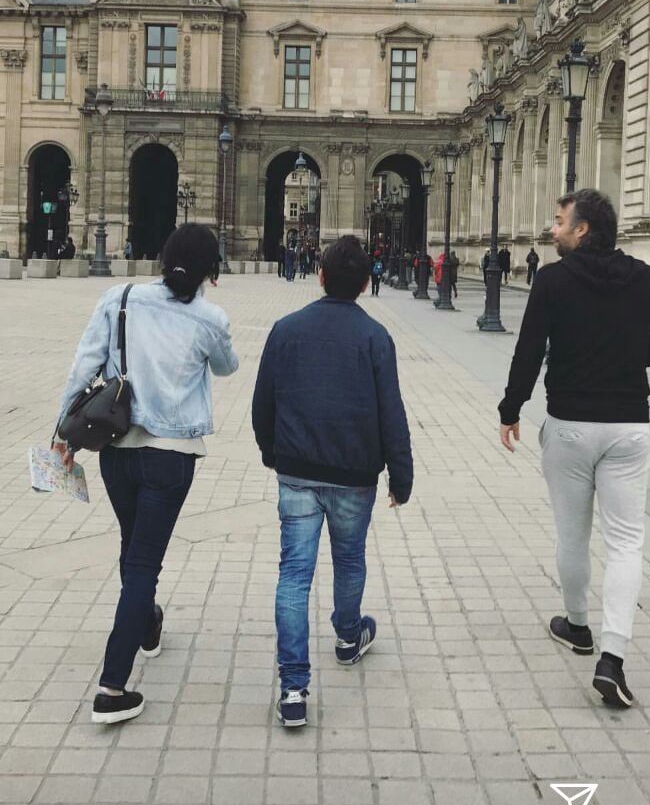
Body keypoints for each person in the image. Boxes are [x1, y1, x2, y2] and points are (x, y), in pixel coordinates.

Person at [498, 189, 650, 710]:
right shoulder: (646, 278)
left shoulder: (554, 279)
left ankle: (577, 626)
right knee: (627, 542)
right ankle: (614, 657)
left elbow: (529, 348)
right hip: (630, 426)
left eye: (560, 221)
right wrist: (629, 359)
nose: (553, 229)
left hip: (569, 426)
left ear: (582, 229)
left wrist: (510, 408)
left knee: (573, 535)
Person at [54, 224, 239, 725]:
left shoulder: (120, 298)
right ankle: (112, 687)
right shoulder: (209, 317)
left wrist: (61, 434)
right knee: (142, 564)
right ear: (209, 271)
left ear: (161, 258)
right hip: (171, 457)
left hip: (116, 448)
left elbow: (82, 366)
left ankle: (148, 621)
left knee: (133, 545)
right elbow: (227, 368)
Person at [252, 235, 413, 729]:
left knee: (294, 574)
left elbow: (263, 404)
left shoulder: (285, 329)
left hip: (297, 469)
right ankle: (347, 637)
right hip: (354, 474)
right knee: (349, 558)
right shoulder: (375, 337)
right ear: (367, 283)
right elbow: (392, 412)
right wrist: (400, 473)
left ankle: (294, 688)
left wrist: (271, 452)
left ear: (319, 275)